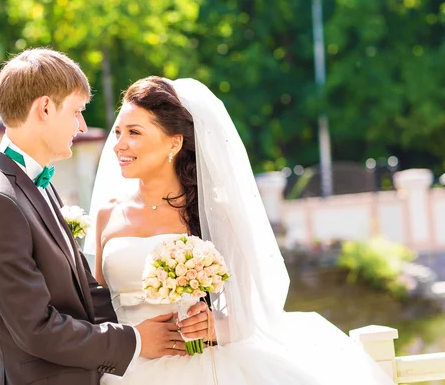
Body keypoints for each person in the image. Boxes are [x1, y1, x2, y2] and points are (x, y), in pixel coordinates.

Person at [85, 76, 395, 384]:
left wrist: (214, 327)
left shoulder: (215, 212)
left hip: (203, 366)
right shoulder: (106, 213)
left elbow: (250, 314)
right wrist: (133, 340)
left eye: (134, 133)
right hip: (129, 370)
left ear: (174, 142)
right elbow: (96, 310)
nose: (119, 145)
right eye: (119, 132)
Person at [0, 49, 210, 385]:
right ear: (45, 108)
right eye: (76, 112)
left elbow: (85, 292)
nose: (82, 125)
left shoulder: (37, 184)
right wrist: (136, 340)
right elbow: (36, 329)